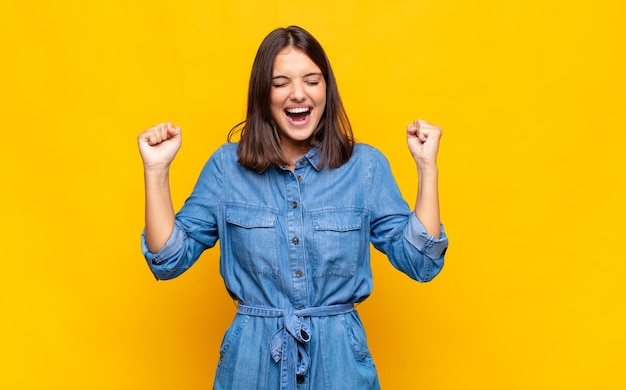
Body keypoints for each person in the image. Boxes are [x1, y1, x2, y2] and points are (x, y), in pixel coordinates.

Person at [138, 25, 448, 390]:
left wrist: (427, 168)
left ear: (326, 91)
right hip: (251, 365)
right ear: (263, 94)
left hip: (340, 367)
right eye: (281, 82)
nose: (298, 93)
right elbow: (168, 261)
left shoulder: (364, 167)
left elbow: (421, 262)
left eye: (312, 81)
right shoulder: (226, 168)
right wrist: (156, 171)